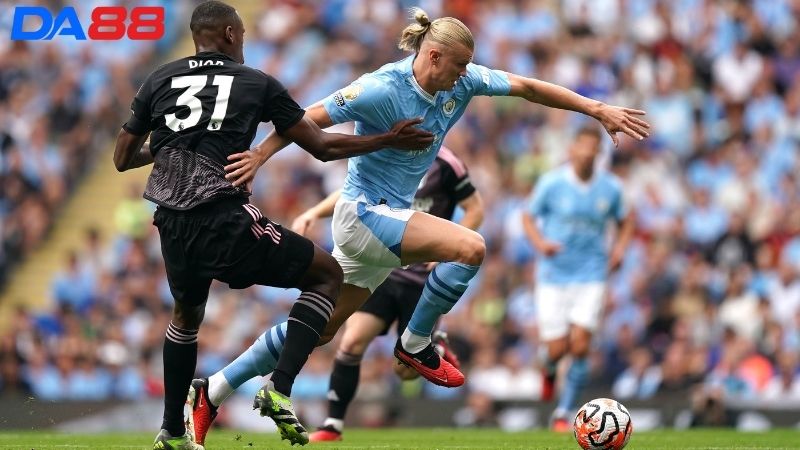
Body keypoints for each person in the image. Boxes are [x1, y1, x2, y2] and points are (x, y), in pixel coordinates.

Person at [186, 6, 648, 444]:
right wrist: (260, 157)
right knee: (471, 247)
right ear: (433, 55)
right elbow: (306, 119)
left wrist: (597, 109)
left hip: (381, 224)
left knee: (320, 329)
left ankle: (214, 390)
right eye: (460, 65)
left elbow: (527, 86)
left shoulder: (462, 83)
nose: (466, 74)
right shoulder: (382, 87)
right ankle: (416, 342)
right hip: (363, 213)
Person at [113, 1, 433, 448]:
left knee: (185, 318)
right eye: (241, 34)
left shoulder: (159, 78)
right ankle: (279, 388)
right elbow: (320, 146)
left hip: (170, 222)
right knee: (327, 275)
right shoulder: (255, 82)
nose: (243, 41)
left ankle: (171, 431)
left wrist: (172, 144)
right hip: (221, 215)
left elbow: (122, 158)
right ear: (228, 33)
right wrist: (386, 139)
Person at [291, 146, 483, 442]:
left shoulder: (448, 162)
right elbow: (351, 193)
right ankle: (333, 425)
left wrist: (450, 249)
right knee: (352, 341)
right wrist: (314, 212)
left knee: (404, 372)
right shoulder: (387, 152)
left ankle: (437, 347)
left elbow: (476, 208)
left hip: (422, 280)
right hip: (383, 271)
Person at [521, 126, 635, 431]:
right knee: (557, 349)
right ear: (571, 150)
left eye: (591, 148)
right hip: (554, 275)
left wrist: (620, 248)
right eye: (581, 147)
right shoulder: (552, 183)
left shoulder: (611, 188)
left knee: (581, 345)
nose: (585, 153)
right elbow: (528, 216)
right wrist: (541, 244)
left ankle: (564, 412)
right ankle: (548, 368)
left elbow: (626, 220)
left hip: (592, 274)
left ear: (598, 153)